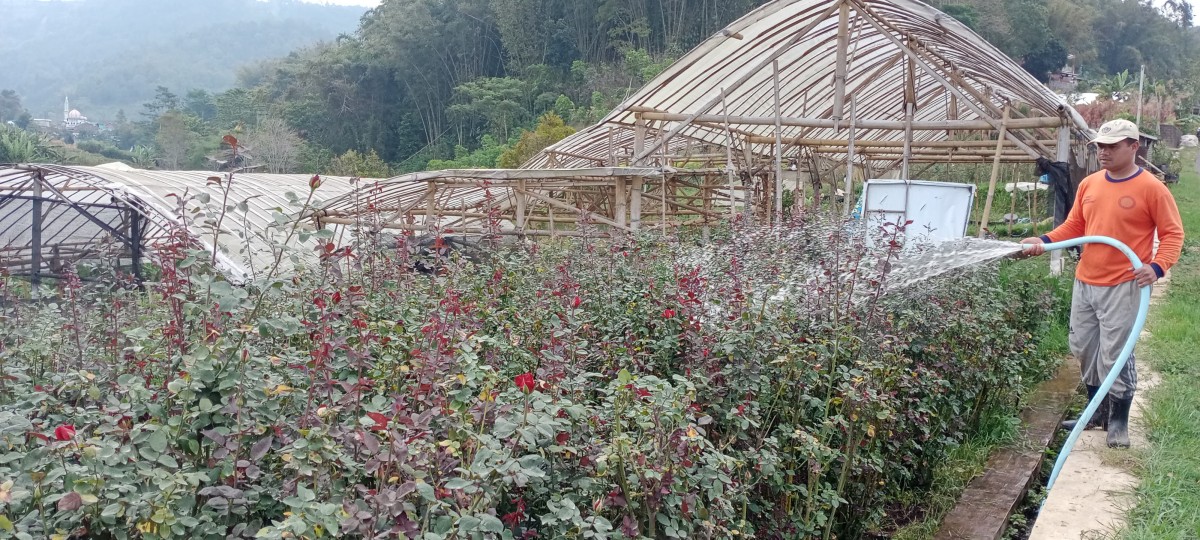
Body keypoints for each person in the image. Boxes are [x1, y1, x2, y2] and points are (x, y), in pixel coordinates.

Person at [1021, 118, 1184, 448]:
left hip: (1124, 285)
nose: (1104, 152)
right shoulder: (1090, 184)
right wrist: (1042, 241)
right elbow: (1075, 226)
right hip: (1086, 281)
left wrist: (1157, 266)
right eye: (1100, 146)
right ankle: (1096, 411)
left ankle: (1119, 420)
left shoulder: (1152, 188)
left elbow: (1172, 234)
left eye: (1112, 146)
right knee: (1084, 348)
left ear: (1133, 147)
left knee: (1116, 353)